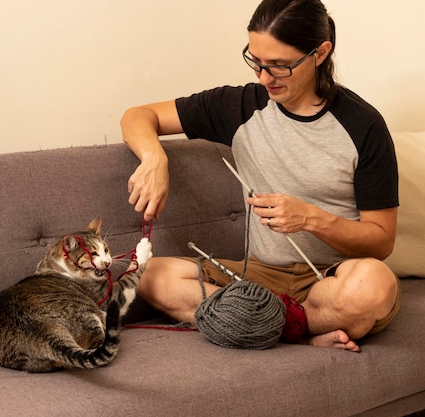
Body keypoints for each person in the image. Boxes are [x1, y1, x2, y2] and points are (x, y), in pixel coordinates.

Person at [120, 0, 400, 352]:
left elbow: (381, 242)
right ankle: (300, 330)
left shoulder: (364, 125)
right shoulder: (240, 106)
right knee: (149, 274)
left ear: (320, 53)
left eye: (280, 66)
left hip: (330, 280)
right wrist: (153, 158)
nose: (264, 78)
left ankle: (255, 322)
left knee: (372, 288)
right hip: (259, 277)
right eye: (257, 62)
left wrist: (311, 218)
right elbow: (138, 115)